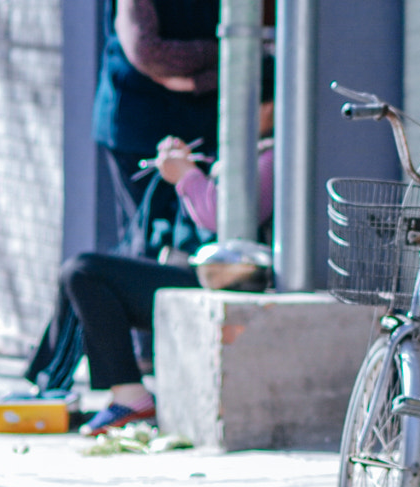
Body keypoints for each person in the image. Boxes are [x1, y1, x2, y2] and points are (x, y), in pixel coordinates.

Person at [29, 95, 275, 436]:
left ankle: (129, 395)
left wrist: (186, 176)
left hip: (231, 281)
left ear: (270, 107)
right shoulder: (245, 150)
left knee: (85, 272)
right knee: (81, 272)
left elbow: (225, 219)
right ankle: (48, 384)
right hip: (198, 272)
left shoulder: (274, 156)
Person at [93, 0, 220, 252]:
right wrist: (216, 51)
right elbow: (149, 53)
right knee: (146, 228)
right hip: (137, 127)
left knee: (191, 228)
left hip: (195, 123)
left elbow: (246, 51)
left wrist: (195, 82)